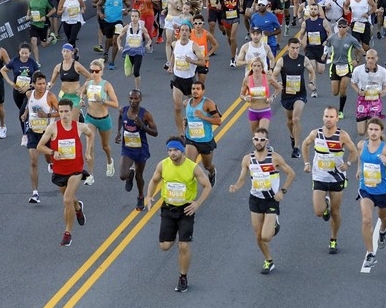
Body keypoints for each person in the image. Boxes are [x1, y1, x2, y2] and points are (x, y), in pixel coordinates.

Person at [145, 136, 213, 292]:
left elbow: (207, 186)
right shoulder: (163, 165)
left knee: (183, 246)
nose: (172, 153)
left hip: (186, 210)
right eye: (169, 150)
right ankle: (177, 236)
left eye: (175, 150)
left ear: (182, 151)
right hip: (168, 209)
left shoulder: (192, 167)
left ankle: (183, 277)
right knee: (165, 246)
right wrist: (149, 196)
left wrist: (197, 204)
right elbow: (154, 180)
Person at [229, 129, 296, 275]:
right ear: (253, 140)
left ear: (267, 141)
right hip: (255, 199)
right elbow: (242, 179)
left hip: (271, 200)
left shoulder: (274, 158)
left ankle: (275, 223)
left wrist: (282, 191)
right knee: (258, 236)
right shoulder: (247, 159)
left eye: (262, 140)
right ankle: (268, 260)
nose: (258, 142)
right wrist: (235, 186)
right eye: (256, 139)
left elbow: (291, 173)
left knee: (266, 236)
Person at [300, 106, 359, 255]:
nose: (328, 119)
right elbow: (305, 144)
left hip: (336, 177)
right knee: (319, 212)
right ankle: (324, 204)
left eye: (332, 117)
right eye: (326, 116)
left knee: (335, 212)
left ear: (337, 119)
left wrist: (348, 164)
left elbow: (354, 152)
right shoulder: (316, 134)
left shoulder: (342, 136)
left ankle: (333, 239)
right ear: (323, 117)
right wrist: (306, 163)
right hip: (319, 177)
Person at [37, 99, 95, 247]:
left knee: (67, 200)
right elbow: (40, 146)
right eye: (61, 112)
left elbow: (91, 134)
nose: (63, 115)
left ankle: (67, 233)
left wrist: (88, 152)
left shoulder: (79, 127)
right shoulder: (52, 128)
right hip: (59, 170)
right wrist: (52, 152)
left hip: (75, 169)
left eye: (66, 111)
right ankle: (78, 208)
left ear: (72, 112)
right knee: (70, 198)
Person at [356, 118, 386, 269]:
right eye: (370, 129)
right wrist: (359, 169)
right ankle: (371, 254)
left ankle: (383, 230)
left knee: (383, 217)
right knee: (366, 220)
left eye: (376, 130)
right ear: (367, 130)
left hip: (383, 191)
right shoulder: (362, 145)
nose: (373, 132)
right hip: (366, 189)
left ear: (381, 131)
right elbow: (360, 158)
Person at [271, 37, 316, 158]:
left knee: (296, 119)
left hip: (300, 94)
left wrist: (311, 82)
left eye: (297, 48)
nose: (295, 51)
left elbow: (312, 71)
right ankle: (292, 136)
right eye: (293, 48)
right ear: (288, 47)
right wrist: (277, 83)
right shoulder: (282, 61)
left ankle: (296, 148)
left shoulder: (304, 59)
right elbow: (273, 76)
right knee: (290, 121)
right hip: (286, 95)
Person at [116, 89, 159, 211]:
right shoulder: (123, 110)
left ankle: (140, 197)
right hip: (127, 148)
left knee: (139, 176)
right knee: (122, 175)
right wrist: (118, 132)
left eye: (135, 99)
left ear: (140, 99)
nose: (133, 101)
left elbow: (155, 132)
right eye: (131, 98)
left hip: (141, 150)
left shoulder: (145, 114)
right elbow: (120, 118)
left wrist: (143, 126)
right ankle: (129, 174)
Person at [21, 71, 58, 203]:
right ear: (33, 84)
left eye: (44, 83)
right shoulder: (29, 94)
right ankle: (35, 193)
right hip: (32, 131)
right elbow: (28, 105)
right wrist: (25, 114)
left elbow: (61, 112)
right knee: (33, 161)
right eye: (39, 84)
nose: (42, 86)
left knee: (48, 157)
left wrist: (47, 116)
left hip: (46, 133)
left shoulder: (51, 97)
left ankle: (51, 163)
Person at [80, 58, 119, 178]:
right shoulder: (88, 83)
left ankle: (109, 161)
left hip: (103, 119)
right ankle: (90, 175)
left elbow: (116, 104)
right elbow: (82, 92)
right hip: (90, 118)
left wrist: (102, 100)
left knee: (105, 146)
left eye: (97, 71)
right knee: (89, 146)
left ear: (101, 71)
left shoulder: (106, 85)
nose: (94, 74)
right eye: (92, 71)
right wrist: (81, 99)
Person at [323, 18, 365, 120]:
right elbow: (327, 45)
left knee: (343, 89)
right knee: (334, 92)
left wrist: (357, 60)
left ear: (347, 28)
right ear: (337, 27)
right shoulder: (333, 37)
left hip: (347, 66)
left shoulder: (351, 39)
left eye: (344, 27)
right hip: (335, 66)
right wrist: (325, 55)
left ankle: (341, 111)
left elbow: (361, 50)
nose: (341, 29)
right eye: (340, 27)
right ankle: (340, 105)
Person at [184, 80, 221, 186]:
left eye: (198, 89)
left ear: (203, 91)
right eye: (193, 89)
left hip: (205, 141)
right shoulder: (186, 103)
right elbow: (189, 117)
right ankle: (189, 190)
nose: (195, 91)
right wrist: (185, 121)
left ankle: (212, 172)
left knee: (207, 166)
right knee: (189, 165)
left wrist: (203, 116)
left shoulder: (208, 103)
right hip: (191, 139)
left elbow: (218, 121)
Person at [3, 43, 40, 148]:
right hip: (17, 92)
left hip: (29, 92)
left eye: (26, 53)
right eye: (22, 53)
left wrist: (30, 86)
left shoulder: (32, 63)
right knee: (24, 113)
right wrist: (10, 83)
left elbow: (38, 77)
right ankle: (32, 130)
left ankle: (25, 135)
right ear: (19, 52)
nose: (24, 55)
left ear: (30, 53)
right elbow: (3, 70)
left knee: (22, 111)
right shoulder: (14, 61)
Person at [170, 22, 204, 133]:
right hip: (178, 79)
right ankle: (181, 133)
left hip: (190, 80)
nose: (184, 32)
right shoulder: (175, 44)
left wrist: (192, 61)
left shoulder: (194, 46)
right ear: (179, 32)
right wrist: (170, 65)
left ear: (190, 33)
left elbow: (203, 62)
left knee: (192, 108)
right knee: (177, 107)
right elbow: (174, 54)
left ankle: (192, 126)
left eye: (186, 30)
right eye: (182, 30)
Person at [350, 49, 386, 137]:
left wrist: (384, 91)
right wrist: (358, 91)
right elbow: (353, 82)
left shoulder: (382, 71)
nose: (370, 60)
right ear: (366, 58)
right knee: (361, 132)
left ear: (377, 58)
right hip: (362, 101)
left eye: (372, 58)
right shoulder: (358, 70)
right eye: (368, 58)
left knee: (371, 128)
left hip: (375, 101)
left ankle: (370, 145)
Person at [240, 57, 280, 135]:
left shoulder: (268, 78)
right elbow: (241, 95)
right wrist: (245, 98)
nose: (256, 68)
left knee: (262, 133)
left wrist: (272, 97)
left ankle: (267, 146)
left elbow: (278, 88)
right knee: (256, 136)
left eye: (259, 66)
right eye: (254, 66)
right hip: (253, 111)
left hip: (265, 110)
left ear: (262, 67)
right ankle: (263, 146)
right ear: (251, 67)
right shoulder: (247, 79)